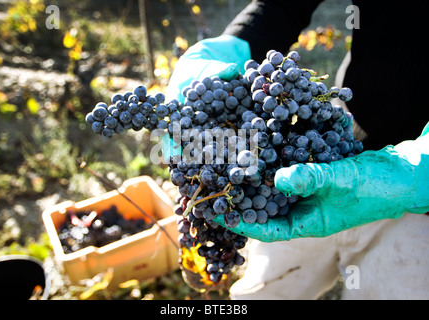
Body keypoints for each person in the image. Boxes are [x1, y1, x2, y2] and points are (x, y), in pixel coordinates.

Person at [165, 0, 429, 299]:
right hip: (321, 162)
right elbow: (283, 6)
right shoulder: (291, 154)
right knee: (265, 289)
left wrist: (422, 171)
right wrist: (238, 40)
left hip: (418, 206)